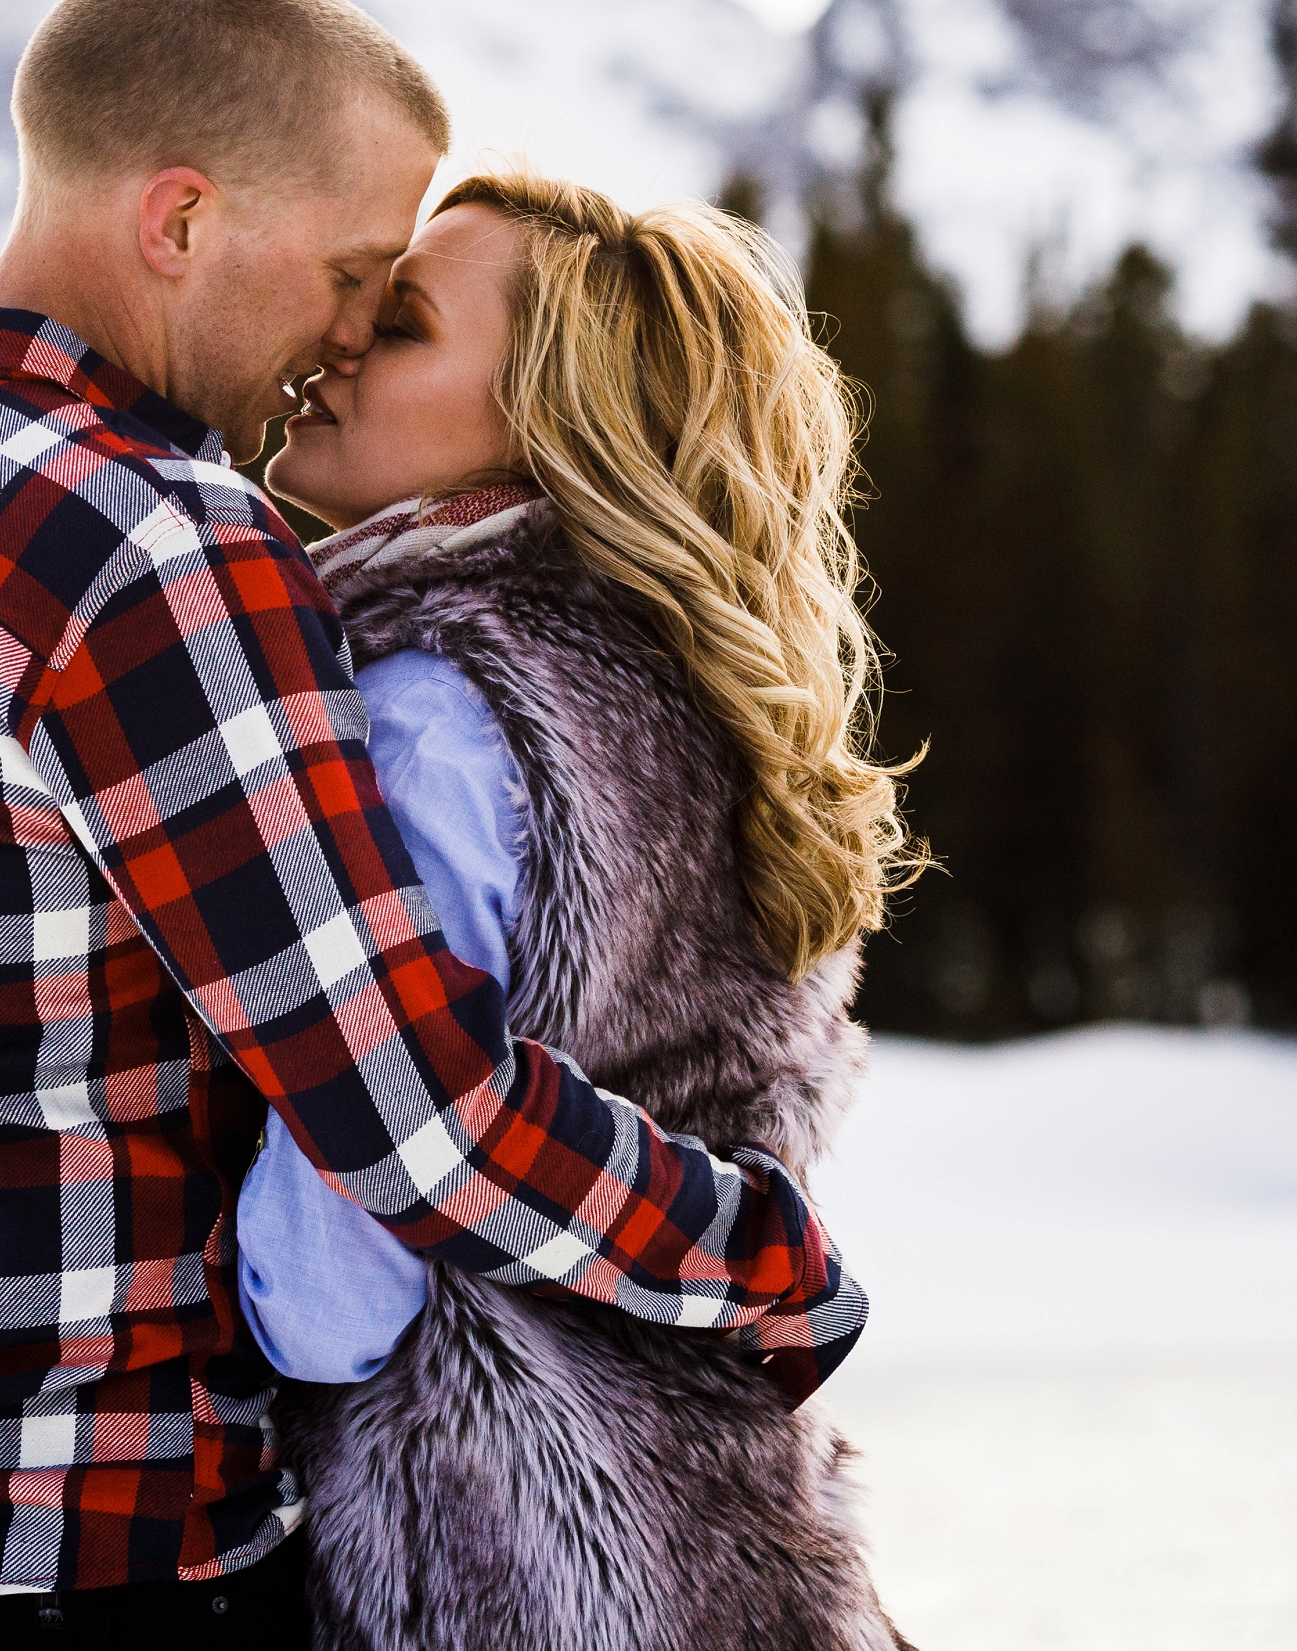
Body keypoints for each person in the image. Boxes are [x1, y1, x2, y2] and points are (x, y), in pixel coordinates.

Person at [0, 0, 869, 1651]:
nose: (347, 327)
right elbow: (410, 1115)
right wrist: (753, 1257)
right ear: (182, 221)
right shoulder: (152, 542)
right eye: (357, 269)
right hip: (109, 1548)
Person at [250, 176, 922, 1650]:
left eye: (403, 320)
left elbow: (322, 1292)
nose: (339, 335)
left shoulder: (431, 721)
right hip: (729, 1539)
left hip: (519, 1561)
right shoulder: (711, 717)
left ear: (547, 428)